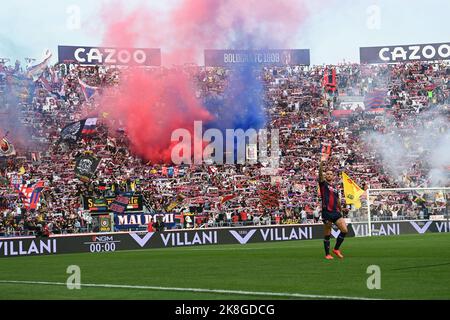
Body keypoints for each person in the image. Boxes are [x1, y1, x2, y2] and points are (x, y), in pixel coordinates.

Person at [318, 158, 349, 260]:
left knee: (344, 230)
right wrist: (321, 165)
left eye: (331, 174)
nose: (329, 175)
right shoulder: (323, 184)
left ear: (333, 176)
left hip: (336, 212)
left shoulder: (335, 187)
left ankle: (336, 249)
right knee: (327, 233)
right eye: (327, 174)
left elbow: (338, 200)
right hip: (327, 212)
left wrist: (341, 209)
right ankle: (327, 254)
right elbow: (320, 176)